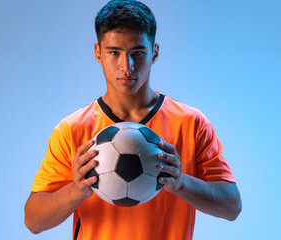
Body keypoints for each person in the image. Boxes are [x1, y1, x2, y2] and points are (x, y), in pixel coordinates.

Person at [24, 0, 242, 239]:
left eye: (137, 53)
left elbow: (232, 206)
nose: (126, 66)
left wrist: (181, 183)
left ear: (154, 52)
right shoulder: (72, 130)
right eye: (114, 52)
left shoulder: (191, 123)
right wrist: (75, 190)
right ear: (98, 53)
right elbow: (34, 220)